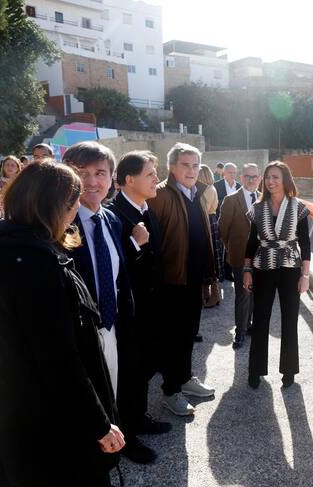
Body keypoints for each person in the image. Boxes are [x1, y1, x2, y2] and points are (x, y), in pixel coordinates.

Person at [0, 162, 124, 486]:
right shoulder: (38, 267)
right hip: (55, 430)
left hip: (16, 418)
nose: (76, 211)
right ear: (55, 206)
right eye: (74, 203)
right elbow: (60, 362)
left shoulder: (2, 251)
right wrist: (100, 425)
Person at [63, 142, 154, 464]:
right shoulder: (59, 225)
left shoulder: (112, 220)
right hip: (81, 332)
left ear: (111, 178)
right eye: (81, 173)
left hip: (113, 325)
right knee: (92, 396)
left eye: (100, 173)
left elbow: (118, 273)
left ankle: (123, 442)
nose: (91, 181)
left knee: (117, 387)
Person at [106, 151, 172, 464]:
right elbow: (113, 267)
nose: (156, 178)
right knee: (129, 373)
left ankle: (140, 418)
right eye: (150, 174)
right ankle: (127, 437)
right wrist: (135, 244)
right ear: (129, 180)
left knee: (144, 367)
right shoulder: (114, 214)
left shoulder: (146, 209)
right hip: (128, 313)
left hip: (150, 308)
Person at [147, 142, 216, 416]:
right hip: (171, 281)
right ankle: (170, 391)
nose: (191, 170)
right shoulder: (159, 195)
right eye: (185, 165)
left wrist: (209, 274)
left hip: (193, 278)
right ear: (172, 167)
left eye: (195, 165)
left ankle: (185, 378)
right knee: (172, 338)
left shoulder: (197, 193)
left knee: (188, 333)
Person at [243, 161, 311, 389]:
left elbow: (305, 243)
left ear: (285, 180)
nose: (271, 182)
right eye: (268, 177)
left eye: (275, 177)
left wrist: (305, 276)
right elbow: (251, 242)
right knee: (260, 320)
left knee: (289, 320)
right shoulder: (257, 208)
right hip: (263, 268)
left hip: (291, 269)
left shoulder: (298, 207)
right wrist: (247, 271)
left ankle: (289, 371)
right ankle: (255, 371)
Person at [219, 163, 261, 349]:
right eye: (247, 176)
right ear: (242, 178)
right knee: (243, 294)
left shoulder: (264, 198)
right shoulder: (231, 200)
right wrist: (233, 250)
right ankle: (240, 332)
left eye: (254, 177)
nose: (251, 180)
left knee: (255, 293)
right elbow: (223, 230)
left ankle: (249, 325)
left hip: (261, 257)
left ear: (259, 179)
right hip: (240, 257)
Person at [198, 164, 223, 309]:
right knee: (208, 258)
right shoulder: (211, 188)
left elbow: (204, 209)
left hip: (207, 221)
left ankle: (215, 295)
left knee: (211, 259)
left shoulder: (206, 190)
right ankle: (206, 294)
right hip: (210, 220)